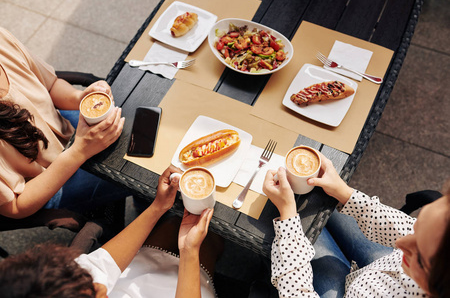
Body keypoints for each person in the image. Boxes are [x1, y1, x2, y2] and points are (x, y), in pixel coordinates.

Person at [0, 165, 222, 297]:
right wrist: (190, 251)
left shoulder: (58, 286)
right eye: (94, 294)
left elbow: (100, 265)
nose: (99, 284)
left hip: (138, 272)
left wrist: (158, 207)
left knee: (175, 222)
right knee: (214, 235)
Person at [263, 152, 450, 297]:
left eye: (420, 259)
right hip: (375, 270)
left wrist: (288, 217)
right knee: (318, 200)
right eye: (416, 228)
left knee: (286, 223)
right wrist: (344, 192)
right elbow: (402, 227)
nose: (400, 244)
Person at [0, 27, 127, 218]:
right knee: (144, 173)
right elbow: (15, 207)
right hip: (45, 184)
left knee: (141, 135)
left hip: (66, 130)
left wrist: (80, 97)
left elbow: (50, 84)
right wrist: (80, 151)